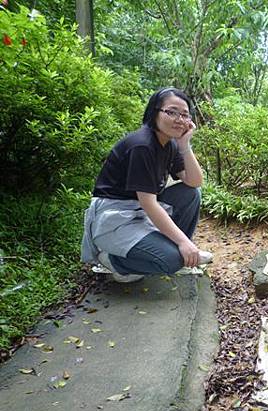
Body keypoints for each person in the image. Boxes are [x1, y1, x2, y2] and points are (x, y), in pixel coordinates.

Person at [81, 87, 213, 282]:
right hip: (115, 219)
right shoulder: (142, 146)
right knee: (172, 261)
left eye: (184, 115)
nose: (179, 119)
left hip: (139, 212)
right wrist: (184, 242)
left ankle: (172, 250)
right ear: (154, 112)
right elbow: (148, 203)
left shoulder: (170, 144)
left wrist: (185, 145)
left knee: (190, 193)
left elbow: (194, 181)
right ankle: (112, 260)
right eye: (171, 112)